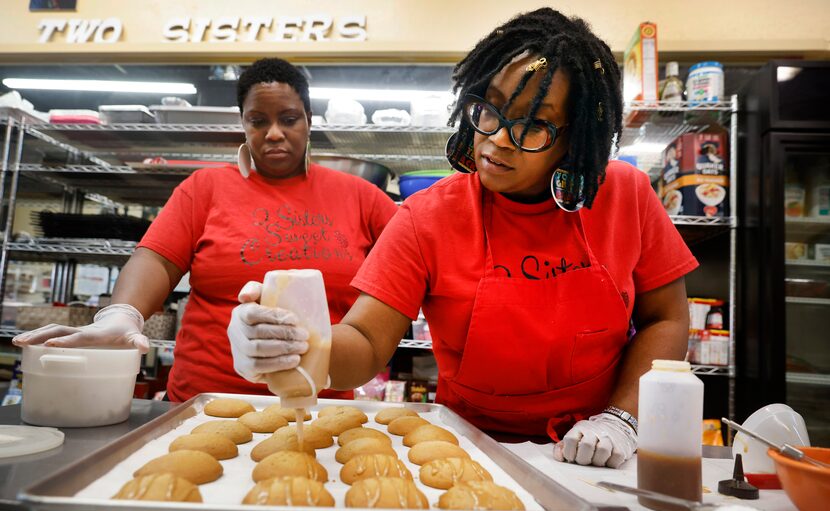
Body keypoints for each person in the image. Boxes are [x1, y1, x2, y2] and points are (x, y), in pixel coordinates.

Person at [228, 9, 698, 468]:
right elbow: (367, 341)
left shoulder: (624, 196)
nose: (496, 139)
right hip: (470, 451)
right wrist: (300, 341)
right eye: (488, 109)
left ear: (575, 138)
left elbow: (668, 317)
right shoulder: (427, 217)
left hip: (599, 450)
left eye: (532, 124)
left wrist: (621, 418)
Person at [13, 57, 398, 402]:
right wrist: (123, 314)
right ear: (243, 123)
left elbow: (410, 260)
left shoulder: (361, 197)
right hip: (207, 402)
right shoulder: (204, 189)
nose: (274, 133)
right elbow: (157, 260)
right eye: (258, 121)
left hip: (320, 404)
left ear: (309, 120)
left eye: (289, 118)